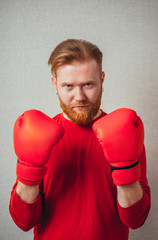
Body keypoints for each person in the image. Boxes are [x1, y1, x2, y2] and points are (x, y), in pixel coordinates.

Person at [9, 39, 151, 240]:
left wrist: (125, 171)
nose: (79, 96)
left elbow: (136, 220)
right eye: (68, 86)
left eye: (88, 84)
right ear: (55, 84)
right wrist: (28, 173)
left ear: (102, 80)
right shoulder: (36, 135)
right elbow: (23, 222)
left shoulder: (127, 133)